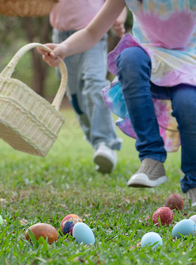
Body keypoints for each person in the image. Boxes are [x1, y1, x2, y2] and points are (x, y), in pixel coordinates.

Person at [40, 0, 196, 207]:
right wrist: (63, 48)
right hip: (151, 56)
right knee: (129, 56)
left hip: (193, 58)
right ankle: (152, 159)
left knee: (188, 104)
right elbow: (92, 32)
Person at [49, 1, 126, 173]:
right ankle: (97, 144)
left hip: (94, 32)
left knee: (94, 83)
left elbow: (118, 3)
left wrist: (119, 18)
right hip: (61, 37)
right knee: (77, 100)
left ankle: (105, 143)